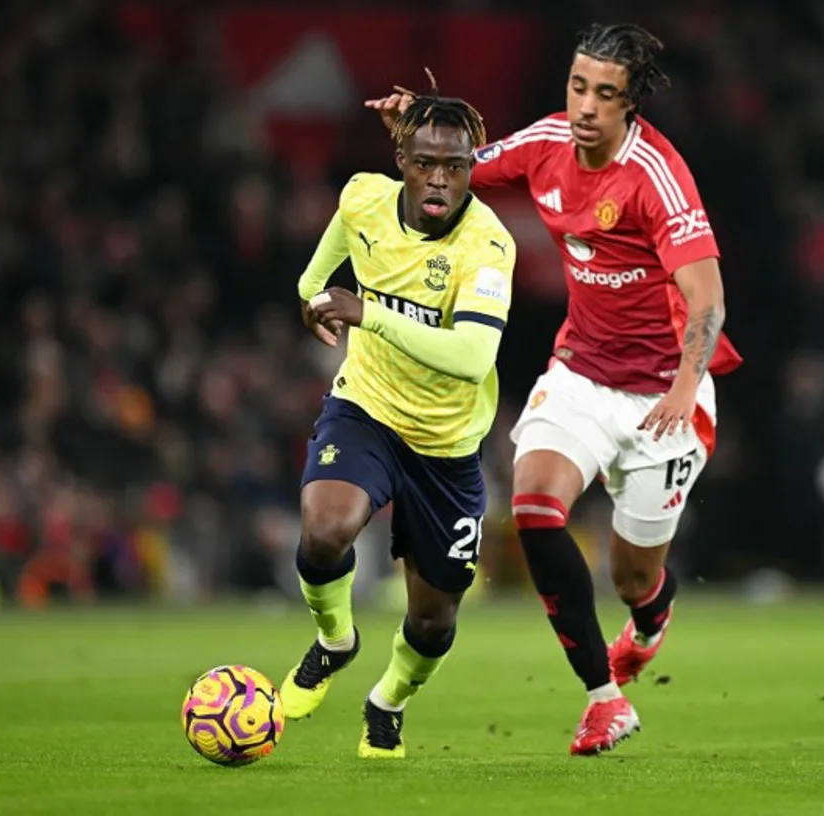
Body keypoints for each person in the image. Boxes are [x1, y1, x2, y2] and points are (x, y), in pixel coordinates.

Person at [366, 23, 741, 755]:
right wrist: (418, 123)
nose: (587, 105)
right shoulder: (545, 145)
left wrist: (683, 388)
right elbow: (461, 164)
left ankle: (653, 614)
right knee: (535, 504)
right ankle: (604, 699)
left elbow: (707, 299)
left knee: (633, 576)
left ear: (631, 105)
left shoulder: (656, 177)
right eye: (578, 86)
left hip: (664, 396)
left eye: (606, 93)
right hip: (580, 375)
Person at [283, 82, 516, 759]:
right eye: (425, 163)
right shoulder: (362, 200)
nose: (439, 179)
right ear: (402, 160)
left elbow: (472, 357)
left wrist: (368, 313)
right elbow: (314, 282)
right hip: (368, 408)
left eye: (455, 166)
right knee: (324, 531)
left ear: (471, 167)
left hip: (446, 446)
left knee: (433, 619)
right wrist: (314, 302)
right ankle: (335, 641)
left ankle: (386, 700)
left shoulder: (489, 248)